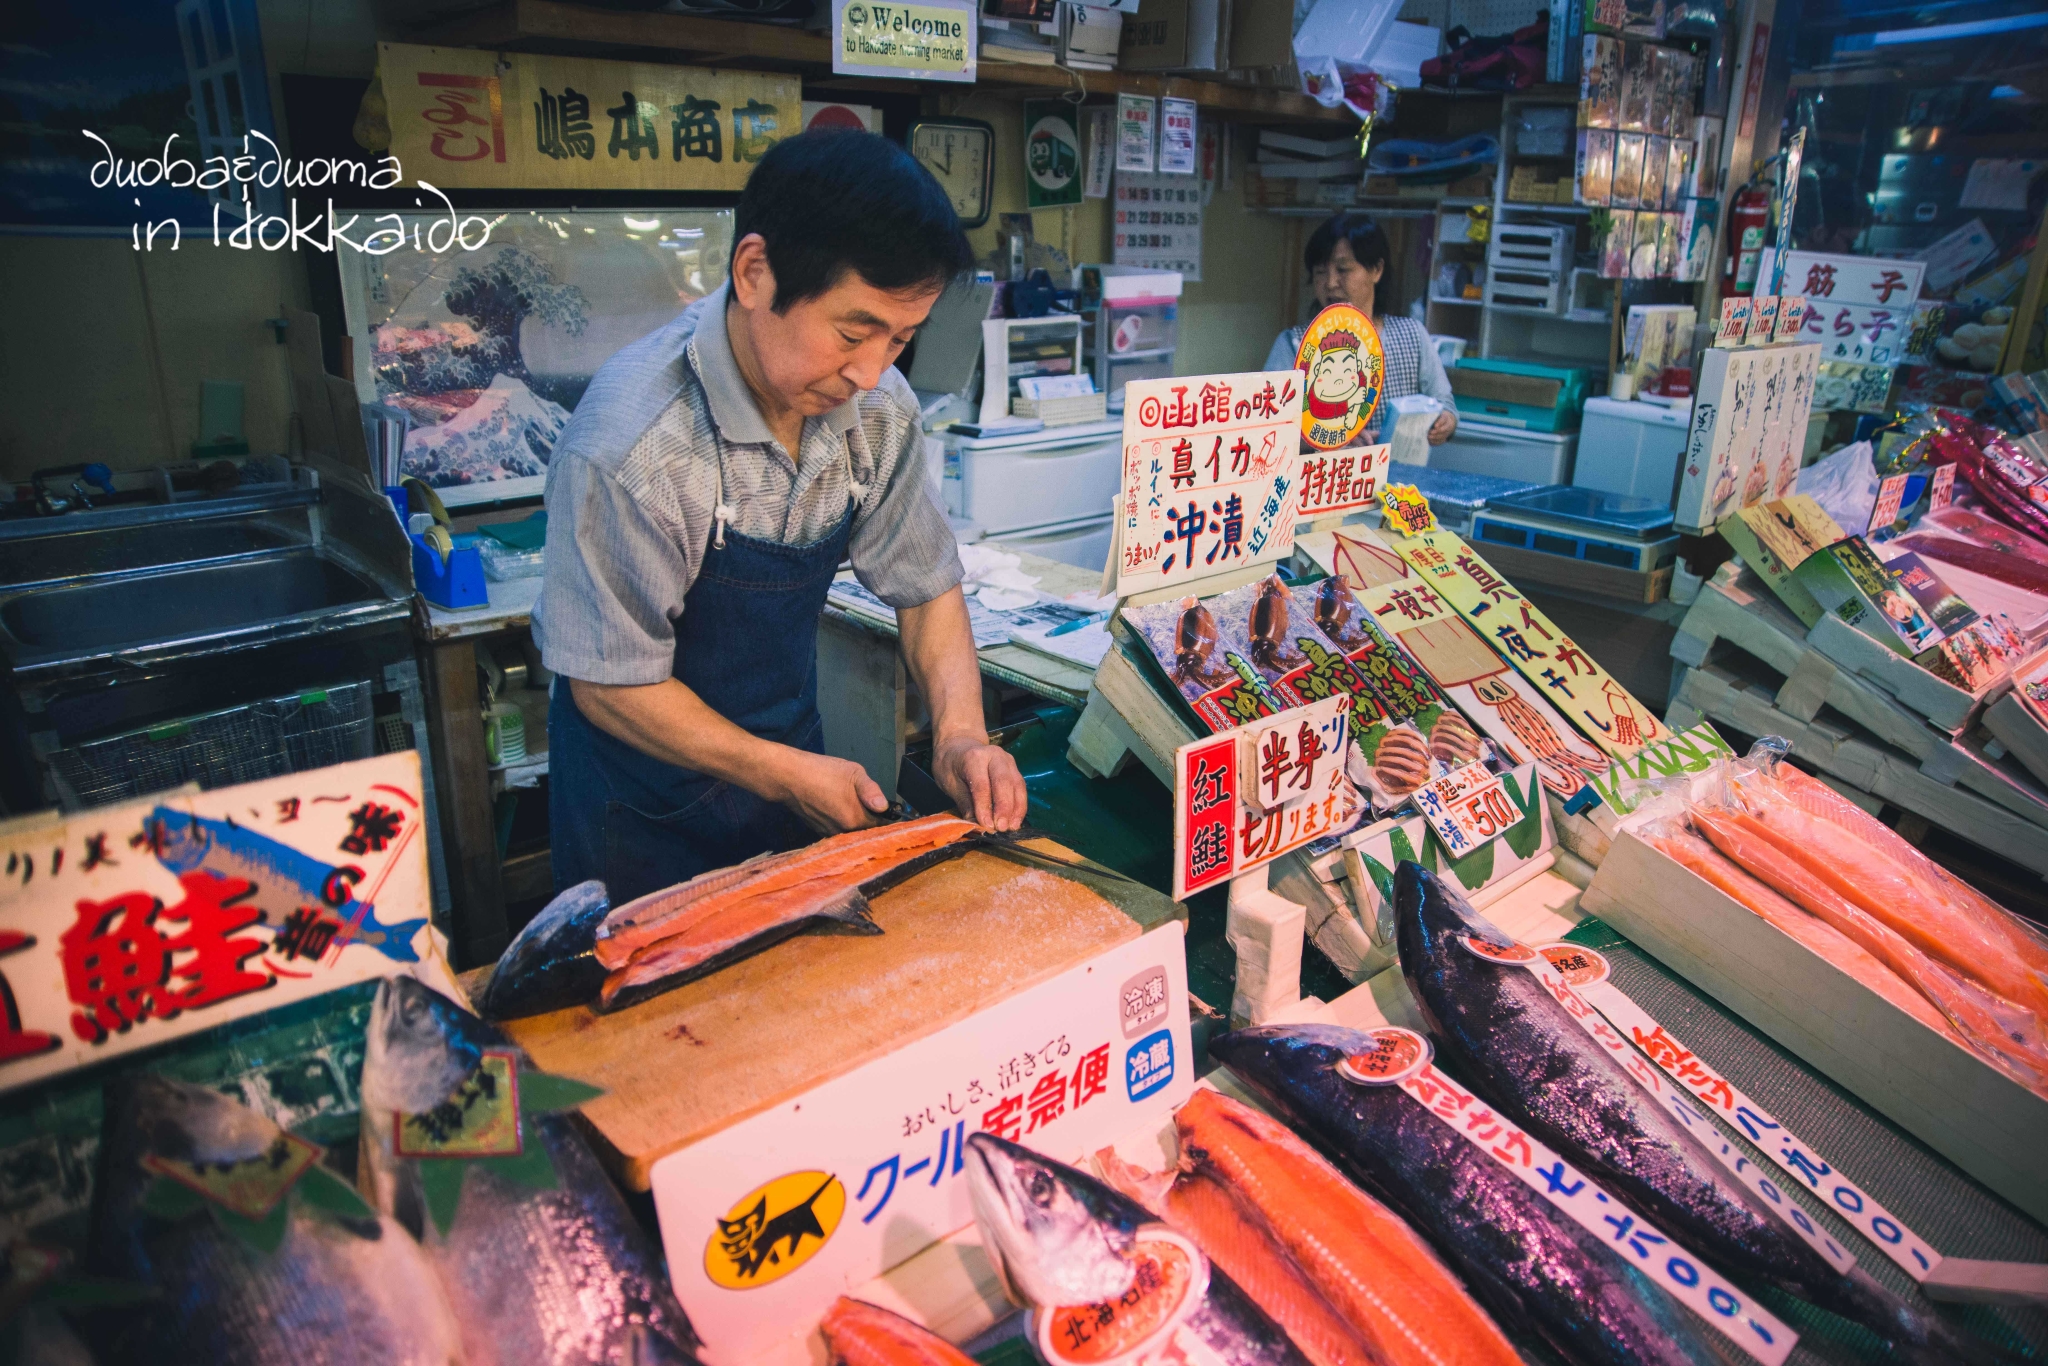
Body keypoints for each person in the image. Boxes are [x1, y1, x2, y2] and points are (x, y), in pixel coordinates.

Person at [532, 131, 1028, 903]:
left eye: (900, 340)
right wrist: (783, 772)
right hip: (640, 812)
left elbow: (925, 585)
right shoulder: (632, 444)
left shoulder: (877, 410)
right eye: (854, 332)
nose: (871, 372)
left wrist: (961, 734)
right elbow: (609, 684)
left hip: (790, 775)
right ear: (755, 272)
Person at [1263, 213, 1458, 446]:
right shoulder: (1293, 344)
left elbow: (1444, 402)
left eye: (1343, 270)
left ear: (1376, 270)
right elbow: (1269, 426)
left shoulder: (1413, 335)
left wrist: (1447, 421)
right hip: (1327, 479)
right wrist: (1325, 439)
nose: (1331, 283)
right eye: (1320, 272)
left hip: (1400, 480)